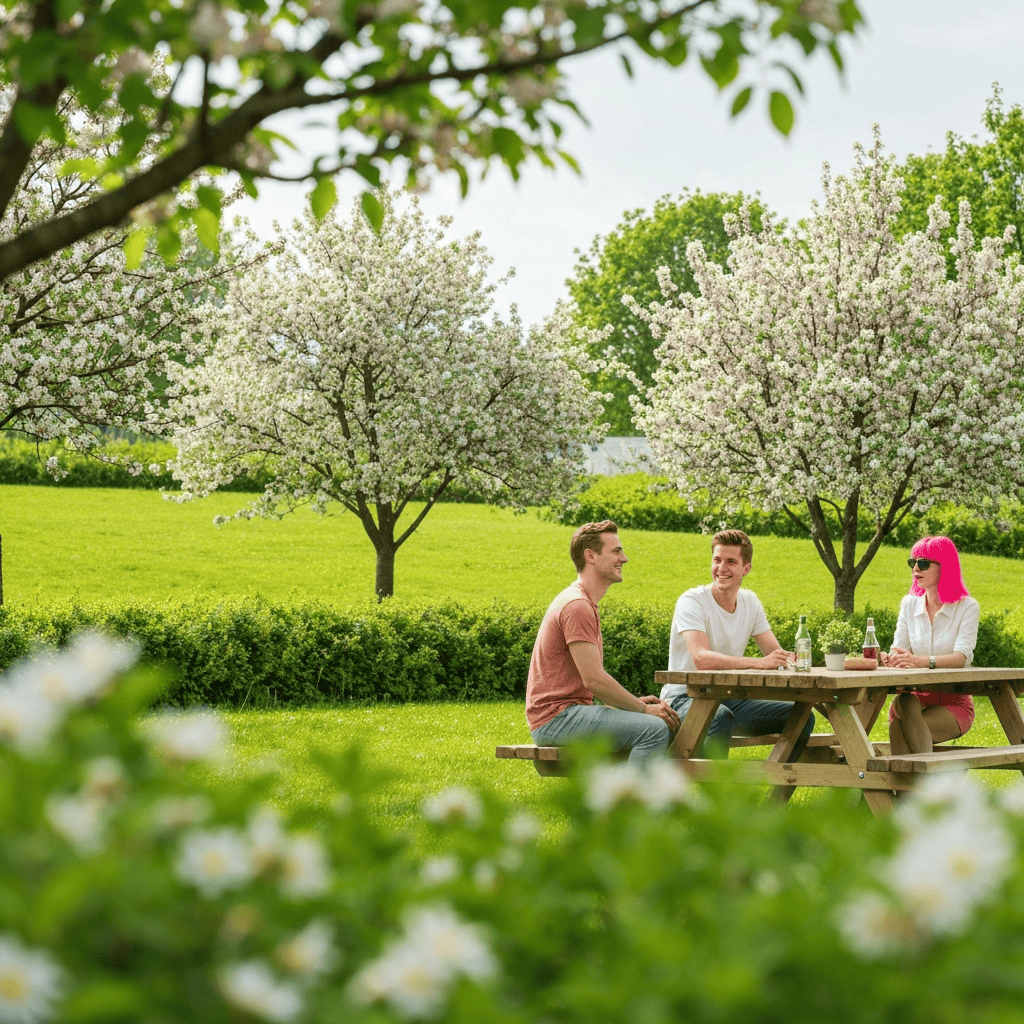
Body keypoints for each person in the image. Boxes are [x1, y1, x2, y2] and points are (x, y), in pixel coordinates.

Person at [526, 520, 680, 763]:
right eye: (616, 551)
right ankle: (631, 800)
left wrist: (632, 704)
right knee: (653, 728)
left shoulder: (584, 602)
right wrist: (643, 710)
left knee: (662, 724)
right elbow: (594, 679)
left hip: (569, 714)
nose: (624, 558)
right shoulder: (577, 606)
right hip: (557, 720)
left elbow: (591, 681)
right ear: (591, 556)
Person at [659, 529, 815, 758]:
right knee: (720, 718)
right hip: (684, 698)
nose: (722, 568)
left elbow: (775, 653)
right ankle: (716, 794)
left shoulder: (750, 602)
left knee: (800, 717)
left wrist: (789, 659)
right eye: (717, 560)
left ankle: (776, 793)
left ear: (746, 568)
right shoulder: (692, 601)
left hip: (729, 699)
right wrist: (760, 663)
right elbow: (702, 659)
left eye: (731, 561)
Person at [882, 536, 980, 754]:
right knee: (904, 702)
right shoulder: (909, 604)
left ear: (944, 567)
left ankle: (919, 787)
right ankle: (931, 785)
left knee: (899, 725)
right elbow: (900, 648)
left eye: (923, 563)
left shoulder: (967, 607)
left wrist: (919, 661)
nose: (915, 568)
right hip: (914, 698)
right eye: (912, 563)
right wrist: (892, 658)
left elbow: (961, 657)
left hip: (953, 702)